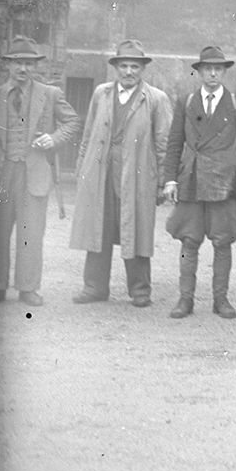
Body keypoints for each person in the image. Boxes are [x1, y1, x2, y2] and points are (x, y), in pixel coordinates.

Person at [0, 36, 80, 307]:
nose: (23, 69)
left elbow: (72, 122)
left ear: (36, 66)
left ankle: (28, 288)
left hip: (34, 173)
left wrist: (53, 138)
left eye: (29, 64)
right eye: (18, 63)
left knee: (31, 232)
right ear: (9, 65)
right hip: (0, 173)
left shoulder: (50, 94)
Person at [71, 40, 172, 307]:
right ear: (116, 68)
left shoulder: (156, 99)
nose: (129, 72)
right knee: (98, 228)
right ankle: (94, 288)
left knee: (135, 229)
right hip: (101, 172)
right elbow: (88, 133)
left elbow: (164, 144)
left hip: (137, 176)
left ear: (142, 69)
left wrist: (162, 183)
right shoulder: (101, 94)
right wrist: (82, 169)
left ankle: (140, 290)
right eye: (124, 66)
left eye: (134, 66)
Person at [160, 45, 236, 319]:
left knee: (222, 241)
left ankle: (220, 300)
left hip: (224, 181)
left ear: (224, 72)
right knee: (189, 242)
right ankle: (185, 299)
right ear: (199, 72)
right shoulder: (186, 101)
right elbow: (175, 142)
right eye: (207, 69)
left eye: (218, 69)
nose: (213, 74)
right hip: (191, 178)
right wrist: (170, 179)